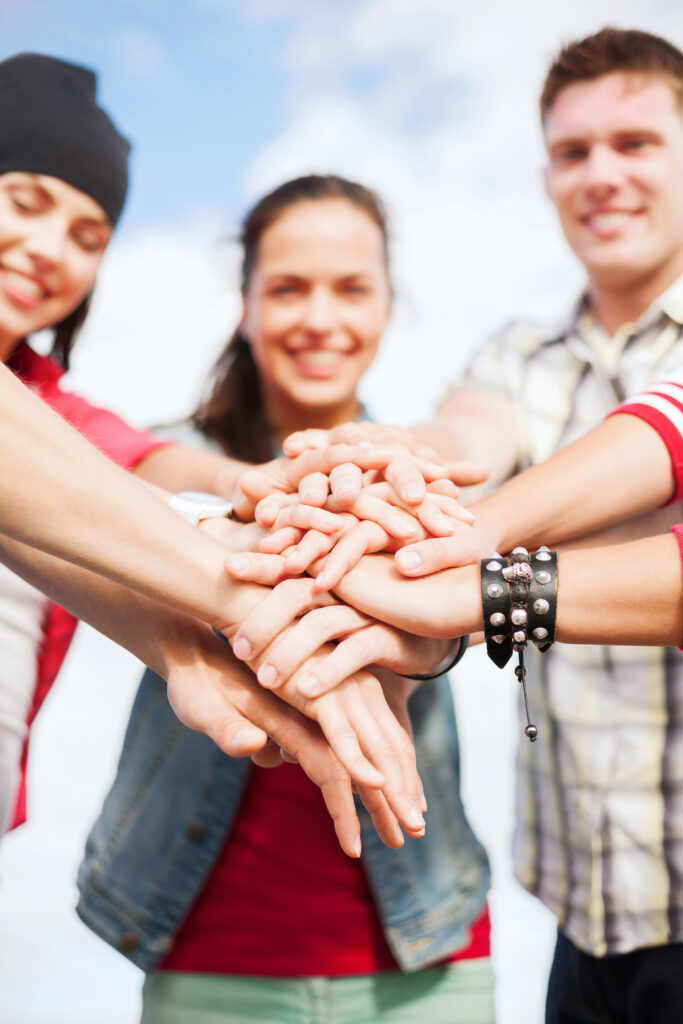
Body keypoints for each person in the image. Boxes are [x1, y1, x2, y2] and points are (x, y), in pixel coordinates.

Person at [265, 27, 683, 1023]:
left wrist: (473, 566)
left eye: (634, 142)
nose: (601, 175)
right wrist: (388, 465)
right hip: (584, 922)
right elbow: (468, 432)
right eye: (572, 151)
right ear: (544, 175)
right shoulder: (517, 351)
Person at [77, 175, 495, 1024]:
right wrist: (252, 496)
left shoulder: (415, 478)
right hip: (208, 953)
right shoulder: (164, 459)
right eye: (288, 288)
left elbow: (460, 604)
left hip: (426, 957)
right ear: (245, 304)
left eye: (350, 289)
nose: (319, 319)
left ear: (387, 305)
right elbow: (141, 484)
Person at [0, 54, 427, 844]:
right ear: (245, 303)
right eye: (23, 202)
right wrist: (239, 599)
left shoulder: (52, 408)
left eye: (87, 235)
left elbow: (137, 473)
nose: (48, 248)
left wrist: (284, 495)